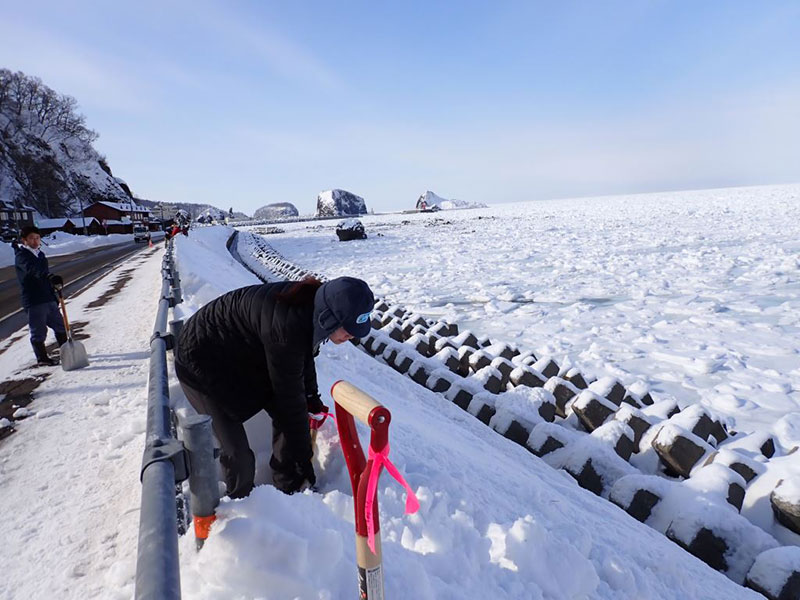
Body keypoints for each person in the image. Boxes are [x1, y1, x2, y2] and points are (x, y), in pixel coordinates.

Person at [174, 276, 374, 498]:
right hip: (198, 360)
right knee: (238, 452)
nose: (352, 335)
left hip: (236, 353)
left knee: (288, 409)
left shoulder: (311, 308)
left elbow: (304, 357)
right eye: (348, 328)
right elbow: (289, 396)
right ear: (329, 317)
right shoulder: (287, 326)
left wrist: (311, 396)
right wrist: (304, 458)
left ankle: (290, 488)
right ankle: (240, 506)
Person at [13, 226, 67, 366]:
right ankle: (42, 358)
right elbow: (32, 270)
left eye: (37, 238)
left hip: (48, 298)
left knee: (60, 325)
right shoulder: (22, 256)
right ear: (24, 240)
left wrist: (54, 289)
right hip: (34, 300)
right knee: (39, 330)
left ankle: (67, 352)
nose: (35, 241)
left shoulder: (40, 255)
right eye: (31, 238)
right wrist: (48, 276)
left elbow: (43, 275)